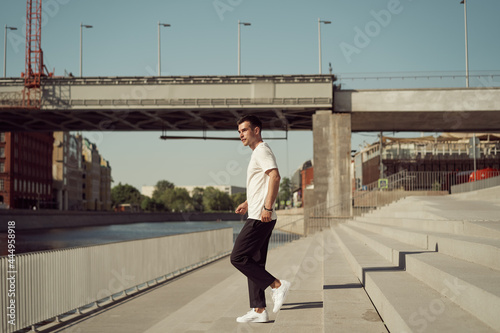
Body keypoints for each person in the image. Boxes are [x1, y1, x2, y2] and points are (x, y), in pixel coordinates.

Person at [230, 114, 291, 323]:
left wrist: (267, 207)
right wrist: (248, 203)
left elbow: (275, 176)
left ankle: (277, 285)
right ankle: (259, 310)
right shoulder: (257, 152)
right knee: (254, 261)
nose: (241, 135)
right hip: (257, 212)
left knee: (238, 257)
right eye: (239, 132)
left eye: (244, 130)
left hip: (260, 217)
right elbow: (262, 183)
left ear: (256, 130)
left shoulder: (262, 150)